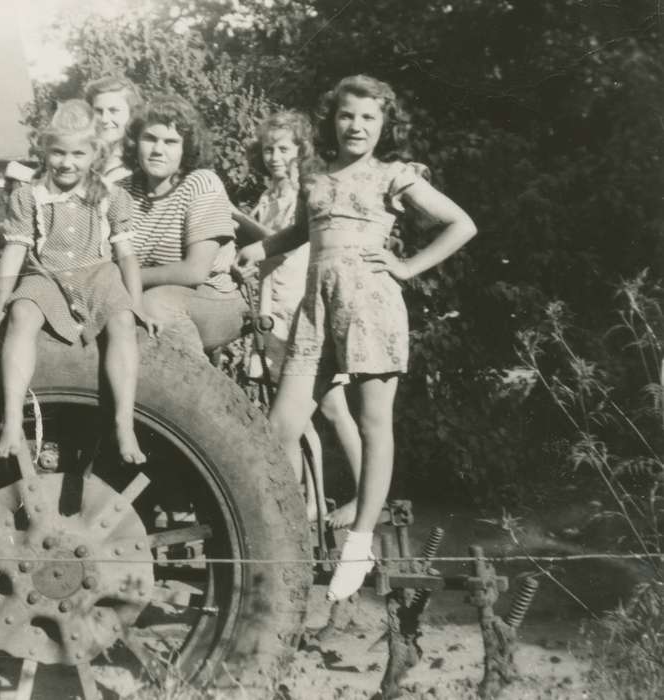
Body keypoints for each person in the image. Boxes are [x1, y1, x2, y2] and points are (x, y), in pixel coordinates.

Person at [234, 75, 477, 601]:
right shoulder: (316, 178)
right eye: (347, 116)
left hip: (370, 306)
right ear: (333, 119)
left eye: (369, 117)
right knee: (280, 427)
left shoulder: (394, 175)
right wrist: (260, 249)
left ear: (384, 124)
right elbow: (302, 232)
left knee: (372, 424)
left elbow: (461, 224)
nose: (356, 126)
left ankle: (361, 542)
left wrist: (408, 267)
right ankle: (282, 536)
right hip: (314, 310)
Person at [0, 100, 157, 464]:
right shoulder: (29, 196)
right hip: (47, 275)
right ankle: (10, 420)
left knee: (121, 321)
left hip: (98, 273)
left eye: (77, 154)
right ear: (45, 151)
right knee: (21, 315)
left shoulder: (110, 196)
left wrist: (136, 304)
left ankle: (124, 421)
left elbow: (126, 255)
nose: (67, 163)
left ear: (94, 154)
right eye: (58, 153)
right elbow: (15, 250)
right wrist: (0, 300)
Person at [240, 111, 363, 527]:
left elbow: (292, 243)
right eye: (269, 149)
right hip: (275, 313)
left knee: (332, 408)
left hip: (304, 312)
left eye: (284, 148)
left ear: (300, 150)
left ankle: (367, 497)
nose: (275, 157)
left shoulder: (305, 191)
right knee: (289, 414)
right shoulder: (268, 196)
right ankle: (301, 502)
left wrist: (257, 240)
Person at [120, 94, 246, 352]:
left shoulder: (201, 183)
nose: (158, 150)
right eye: (150, 138)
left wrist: (126, 276)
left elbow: (195, 271)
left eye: (170, 142)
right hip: (139, 295)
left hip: (211, 298)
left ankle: (195, 386)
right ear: (136, 143)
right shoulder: (121, 191)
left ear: (185, 148)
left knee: (155, 303)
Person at [85, 76, 142, 183]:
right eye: (98, 111)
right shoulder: (85, 155)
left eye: (113, 110)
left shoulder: (138, 160)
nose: (104, 119)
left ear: (132, 113)